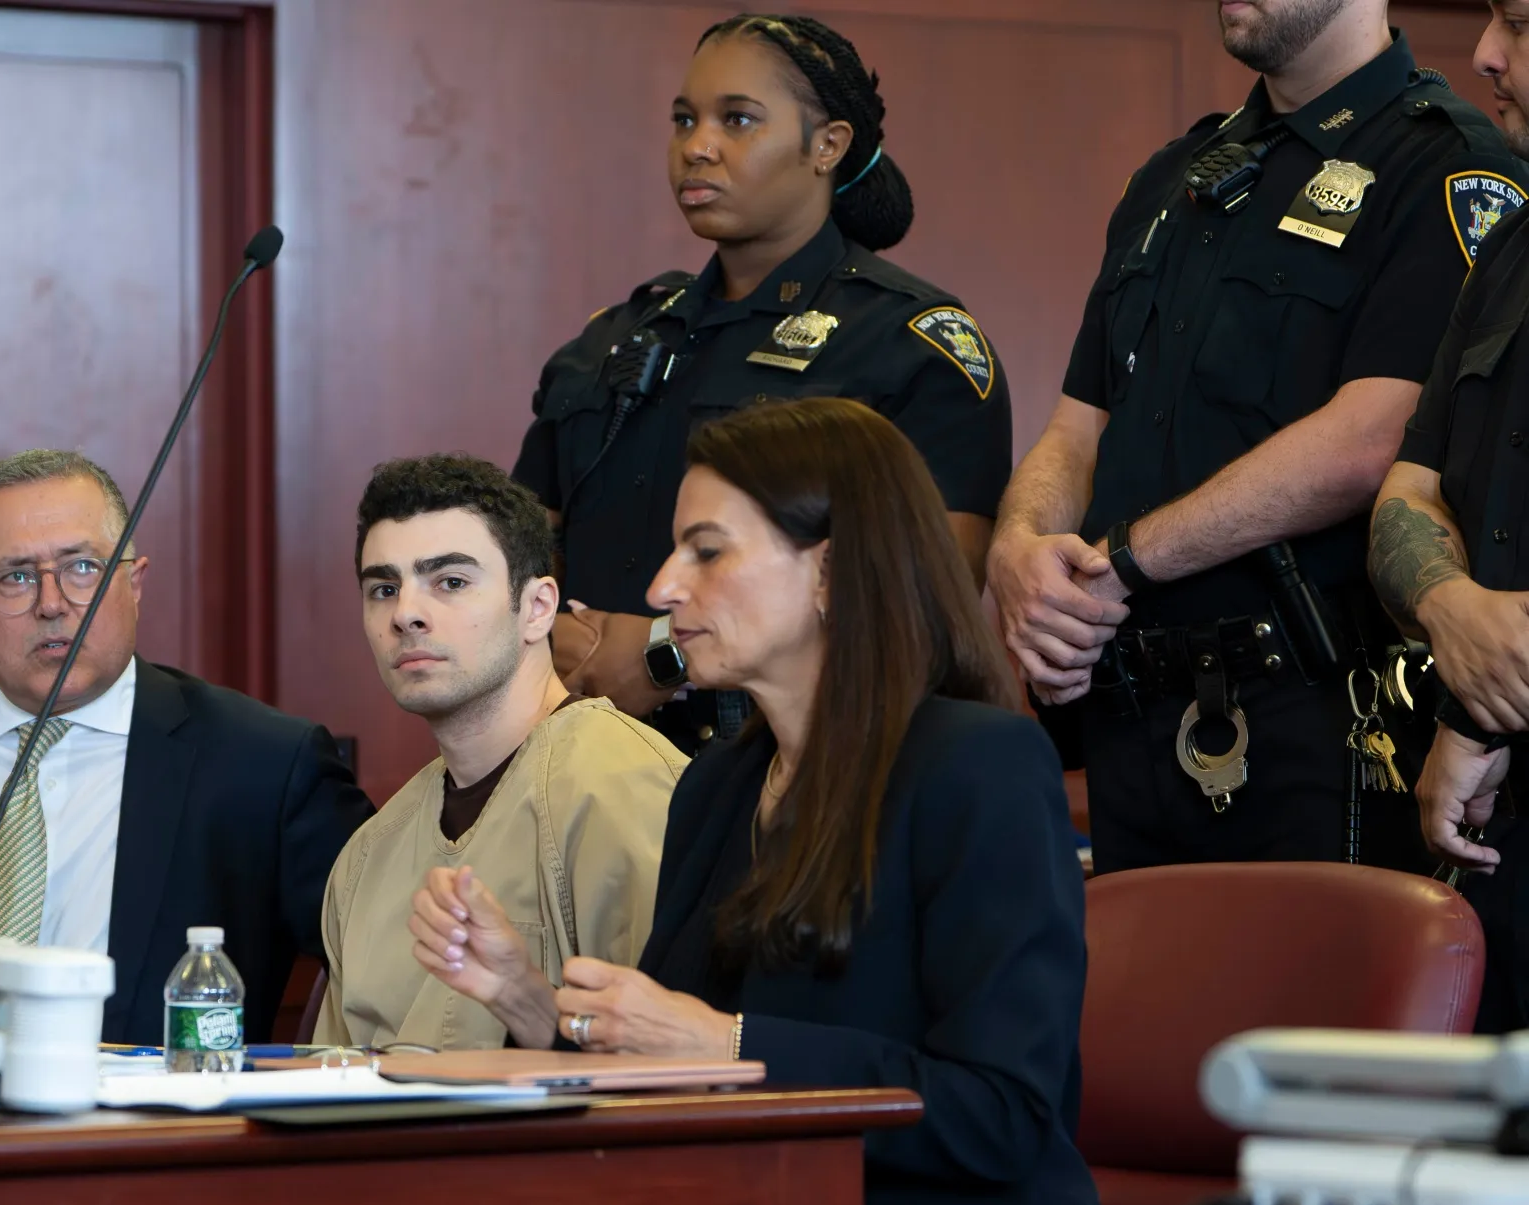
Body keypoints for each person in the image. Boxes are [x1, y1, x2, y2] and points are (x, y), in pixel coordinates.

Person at [417, 399, 1097, 1205]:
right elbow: (659, 1064)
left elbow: (1002, 1115)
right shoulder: (717, 787)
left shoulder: (982, 768)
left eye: (707, 550)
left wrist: (726, 1047)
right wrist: (531, 1003)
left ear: (828, 570)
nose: (660, 587)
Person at [989, 0, 1529, 875]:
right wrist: (1019, 553)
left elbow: (1373, 440)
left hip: (1313, 715)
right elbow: (1077, 429)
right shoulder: (1173, 177)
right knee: (1136, 1010)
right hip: (1129, 705)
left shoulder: (1448, 163)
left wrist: (1121, 561)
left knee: (1309, 1007)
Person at [513, 13, 1013, 754]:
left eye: (737, 120)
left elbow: (921, 607)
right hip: (580, 764)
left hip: (795, 768)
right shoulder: (613, 340)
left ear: (827, 146)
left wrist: (664, 652)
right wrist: (549, 632)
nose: (697, 147)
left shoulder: (909, 343)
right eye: (685, 119)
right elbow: (515, 554)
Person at [0, 450, 374, 1046]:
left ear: (134, 583)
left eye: (82, 567)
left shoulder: (261, 762)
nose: (52, 603)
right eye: (16, 577)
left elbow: (386, 955)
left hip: (147, 1134)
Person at [314, 455, 683, 1052]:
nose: (405, 612)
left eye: (451, 582)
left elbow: (672, 1078)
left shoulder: (621, 783)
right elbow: (325, 1083)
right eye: (383, 588)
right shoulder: (365, 856)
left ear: (538, 608)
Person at [1367, 5, 1529, 1032]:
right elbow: (1405, 491)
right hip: (1500, 835)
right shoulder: (1510, 244)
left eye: (1515, 22)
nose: (1480, 54)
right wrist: (1448, 606)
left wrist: (1481, 706)